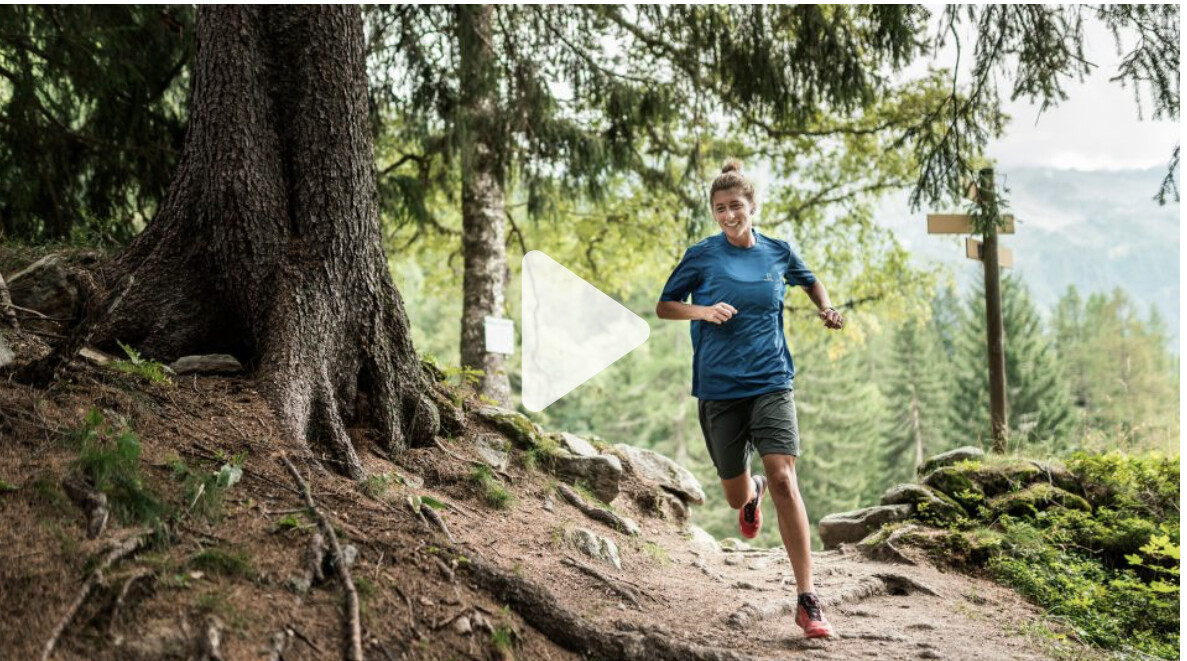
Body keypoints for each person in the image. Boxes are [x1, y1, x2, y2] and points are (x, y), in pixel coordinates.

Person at [655, 159, 844, 639]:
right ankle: (750, 494)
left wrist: (825, 307)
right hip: (719, 387)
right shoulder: (702, 255)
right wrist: (702, 310)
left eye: (735, 206)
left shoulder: (778, 252)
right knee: (736, 495)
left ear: (753, 206)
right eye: (719, 208)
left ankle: (807, 599)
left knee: (784, 477)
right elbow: (665, 305)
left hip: (771, 379)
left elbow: (810, 280)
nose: (728, 215)